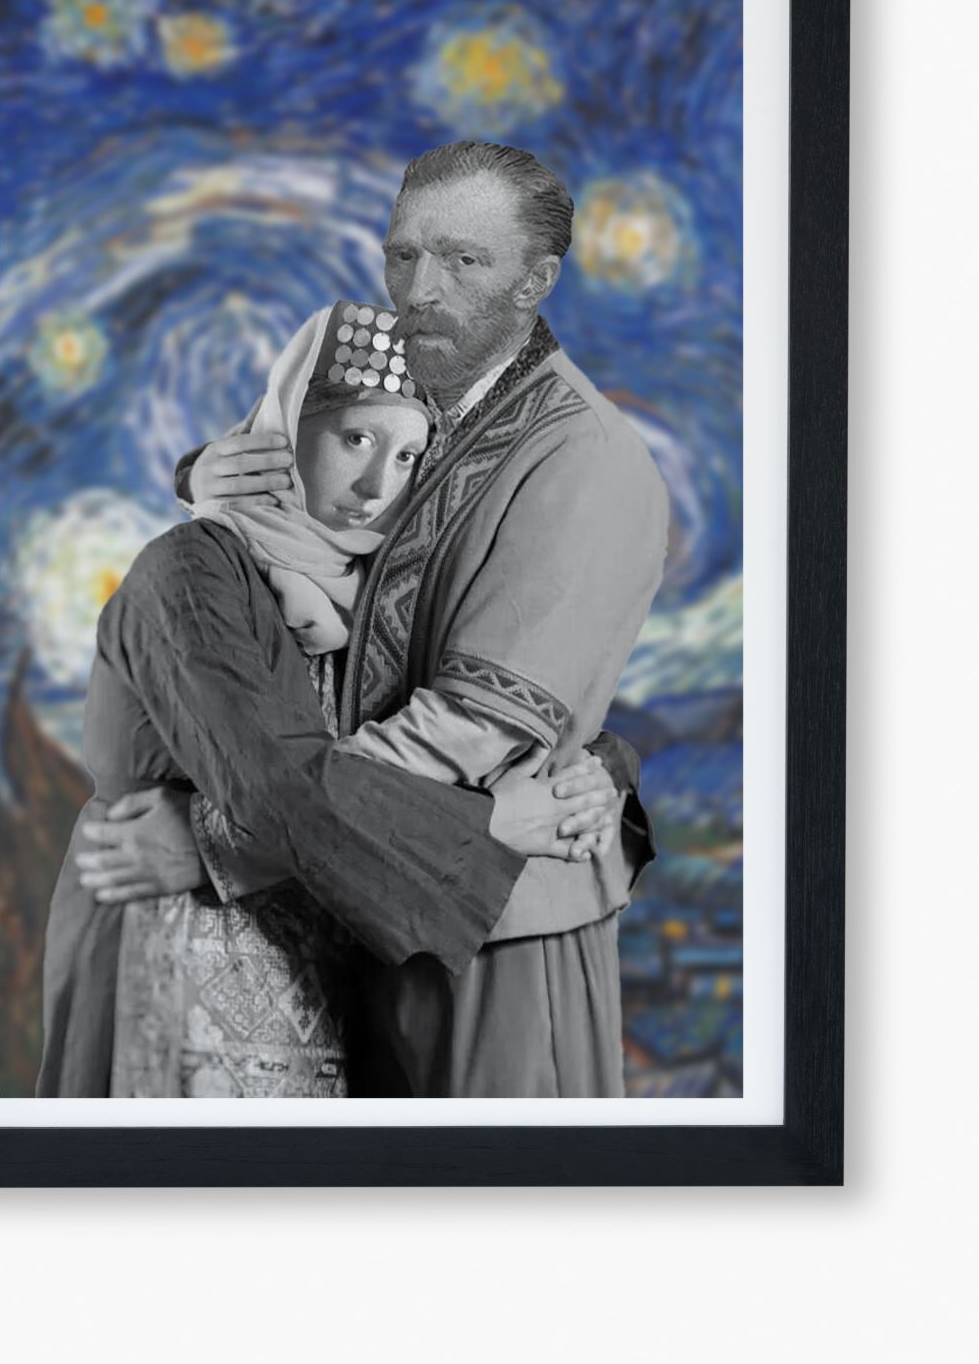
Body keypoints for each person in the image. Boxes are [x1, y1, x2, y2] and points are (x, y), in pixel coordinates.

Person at [166, 141, 669, 1096]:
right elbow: (296, 524)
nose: (420, 291)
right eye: (403, 255)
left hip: (498, 929)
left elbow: (470, 729)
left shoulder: (585, 460)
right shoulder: (408, 403)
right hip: (361, 905)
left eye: (464, 260)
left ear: (535, 281)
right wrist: (202, 474)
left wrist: (219, 845)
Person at [37, 302, 624, 1098]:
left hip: (321, 987)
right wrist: (496, 823)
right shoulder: (192, 572)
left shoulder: (379, 596)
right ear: (284, 429)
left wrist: (596, 771)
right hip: (169, 955)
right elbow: (280, 789)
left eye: (408, 454)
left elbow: (479, 708)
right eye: (354, 438)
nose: (377, 485)